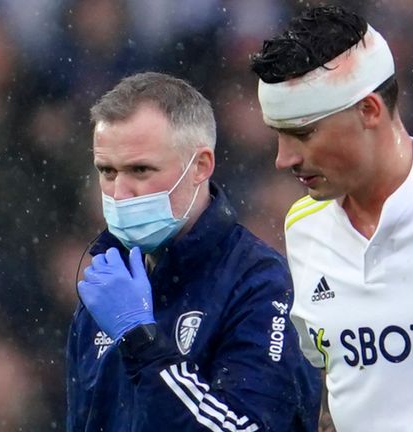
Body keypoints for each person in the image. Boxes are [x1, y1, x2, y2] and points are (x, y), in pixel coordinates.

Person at [250, 6, 413, 432]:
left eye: (303, 133)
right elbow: (334, 379)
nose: (284, 159)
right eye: (277, 135)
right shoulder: (302, 225)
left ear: (370, 110)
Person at [66, 72, 320, 432]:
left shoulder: (261, 283)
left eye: (140, 169)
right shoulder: (105, 284)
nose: (119, 193)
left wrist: (143, 340)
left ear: (200, 166)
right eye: (107, 171)